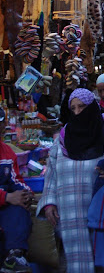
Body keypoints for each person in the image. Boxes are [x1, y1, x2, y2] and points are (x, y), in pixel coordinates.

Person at [36, 88, 104, 273]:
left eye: (82, 107)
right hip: (70, 212)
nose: (78, 112)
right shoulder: (63, 137)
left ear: (92, 107)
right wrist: (49, 202)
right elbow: (52, 172)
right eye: (74, 108)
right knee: (76, 260)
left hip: (101, 209)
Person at [0, 108, 33, 273]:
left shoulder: (7, 151)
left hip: (5, 206)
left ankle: (14, 256)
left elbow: (16, 179)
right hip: (3, 199)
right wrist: (6, 196)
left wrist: (25, 193)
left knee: (20, 207)